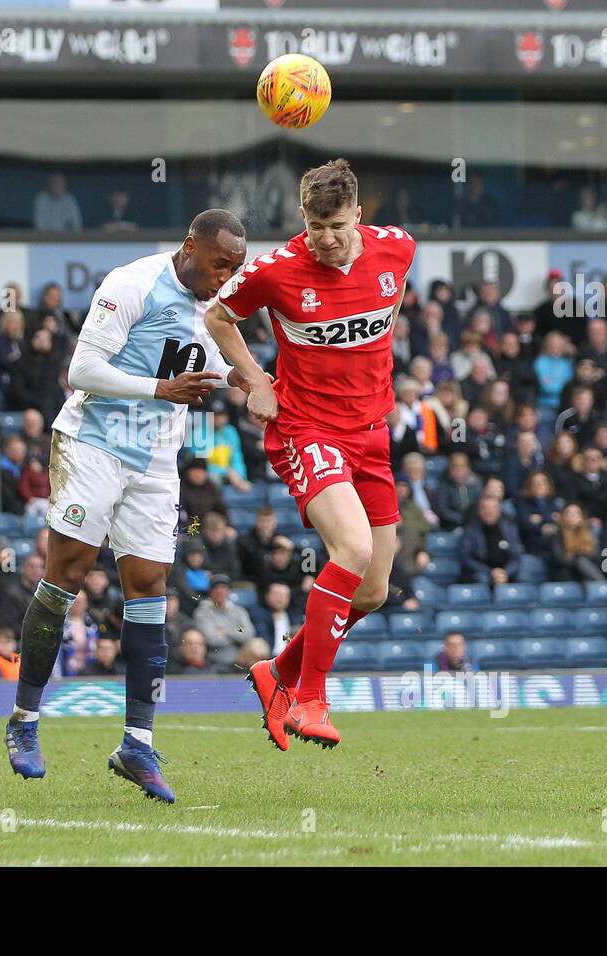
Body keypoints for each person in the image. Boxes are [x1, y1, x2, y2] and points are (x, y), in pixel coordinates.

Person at [1, 208, 249, 804]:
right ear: (190, 246)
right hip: (94, 441)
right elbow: (81, 370)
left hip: (158, 456)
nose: (226, 277)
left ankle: (137, 744)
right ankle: (24, 721)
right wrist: (159, 389)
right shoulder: (132, 283)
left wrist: (259, 382)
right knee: (68, 574)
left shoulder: (219, 306)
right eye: (219, 264)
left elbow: (219, 367)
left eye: (235, 268)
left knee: (148, 589)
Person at [206, 159, 415, 751]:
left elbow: (388, 308)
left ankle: (278, 674)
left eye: (337, 225)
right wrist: (256, 381)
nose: (326, 237)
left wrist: (378, 375)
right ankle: (310, 697)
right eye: (315, 224)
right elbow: (216, 315)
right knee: (350, 548)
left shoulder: (397, 249)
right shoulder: (275, 271)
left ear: (358, 216)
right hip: (307, 428)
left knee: (372, 590)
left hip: (371, 435)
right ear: (303, 217)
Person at [192, 574, 256, 669]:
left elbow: (249, 634)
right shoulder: (202, 612)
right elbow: (212, 639)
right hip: (214, 658)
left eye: (224, 587)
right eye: (216, 588)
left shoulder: (239, 610)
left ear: (229, 591)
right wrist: (236, 635)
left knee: (258, 645)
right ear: (210, 592)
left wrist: (225, 631)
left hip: (241, 656)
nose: (220, 591)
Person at [459, 494, 523, 585]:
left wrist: (505, 573)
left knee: (523, 577)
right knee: (481, 579)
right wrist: (491, 572)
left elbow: (516, 557)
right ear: (479, 511)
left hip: (505, 572)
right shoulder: (470, 530)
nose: (489, 512)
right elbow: (466, 558)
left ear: (499, 510)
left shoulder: (509, 528)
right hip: (482, 572)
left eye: (493, 508)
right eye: (485, 508)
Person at [250, 581, 303, 656]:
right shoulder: (258, 614)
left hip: (291, 659)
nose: (280, 598)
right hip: (266, 658)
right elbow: (261, 637)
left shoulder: (295, 616)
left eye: (284, 595)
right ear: (267, 595)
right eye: (276, 594)